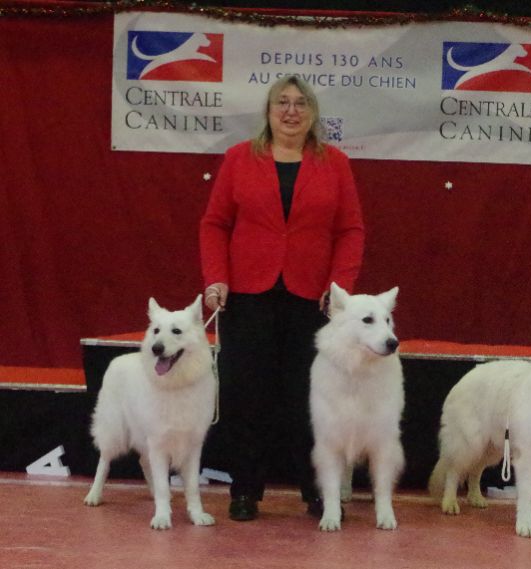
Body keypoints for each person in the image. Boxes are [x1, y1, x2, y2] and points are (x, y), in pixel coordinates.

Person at [199, 75, 365, 521]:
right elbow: (215, 224)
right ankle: (245, 491)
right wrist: (216, 278)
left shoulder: (335, 163)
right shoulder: (238, 159)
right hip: (247, 295)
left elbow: (350, 230)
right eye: (282, 103)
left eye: (300, 104)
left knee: (309, 398)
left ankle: (317, 493)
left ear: (312, 113)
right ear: (268, 111)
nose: (291, 112)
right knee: (245, 394)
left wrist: (339, 286)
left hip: (312, 299)